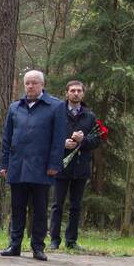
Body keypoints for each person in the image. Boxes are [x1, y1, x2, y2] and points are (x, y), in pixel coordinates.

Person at [0, 70, 66, 261]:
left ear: (42, 85)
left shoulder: (55, 106)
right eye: (27, 83)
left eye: (34, 83)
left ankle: (38, 246)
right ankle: (14, 244)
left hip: (42, 166)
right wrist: (4, 163)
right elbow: (7, 137)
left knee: (39, 208)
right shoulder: (15, 107)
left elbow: (58, 138)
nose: (30, 86)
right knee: (17, 206)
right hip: (18, 165)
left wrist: (54, 164)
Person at [49, 80, 101, 250]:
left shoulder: (90, 116)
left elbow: (96, 140)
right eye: (73, 90)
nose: (76, 93)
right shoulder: (58, 113)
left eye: (79, 91)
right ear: (67, 93)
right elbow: (48, 135)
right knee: (57, 204)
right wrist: (62, 143)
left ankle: (71, 240)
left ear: (83, 94)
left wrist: (83, 140)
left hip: (81, 167)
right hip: (61, 166)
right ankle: (54, 240)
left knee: (76, 206)